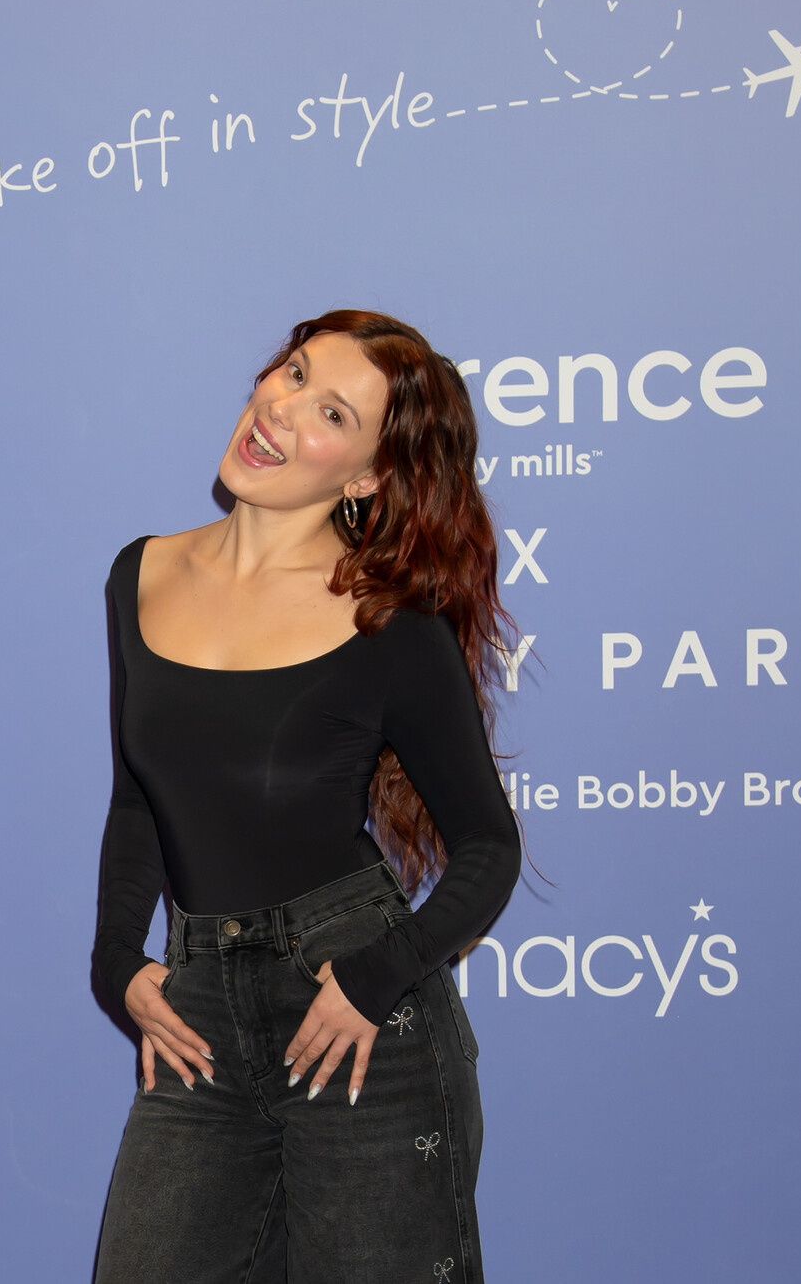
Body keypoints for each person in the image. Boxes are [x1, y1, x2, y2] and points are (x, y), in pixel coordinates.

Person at [90, 310, 522, 1284]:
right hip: (198, 1013)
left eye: (331, 412)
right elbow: (138, 801)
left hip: (354, 1023)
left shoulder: (389, 624)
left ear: (366, 475)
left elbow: (489, 849)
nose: (281, 409)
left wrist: (375, 977)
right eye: (291, 374)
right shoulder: (140, 574)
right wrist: (118, 959)